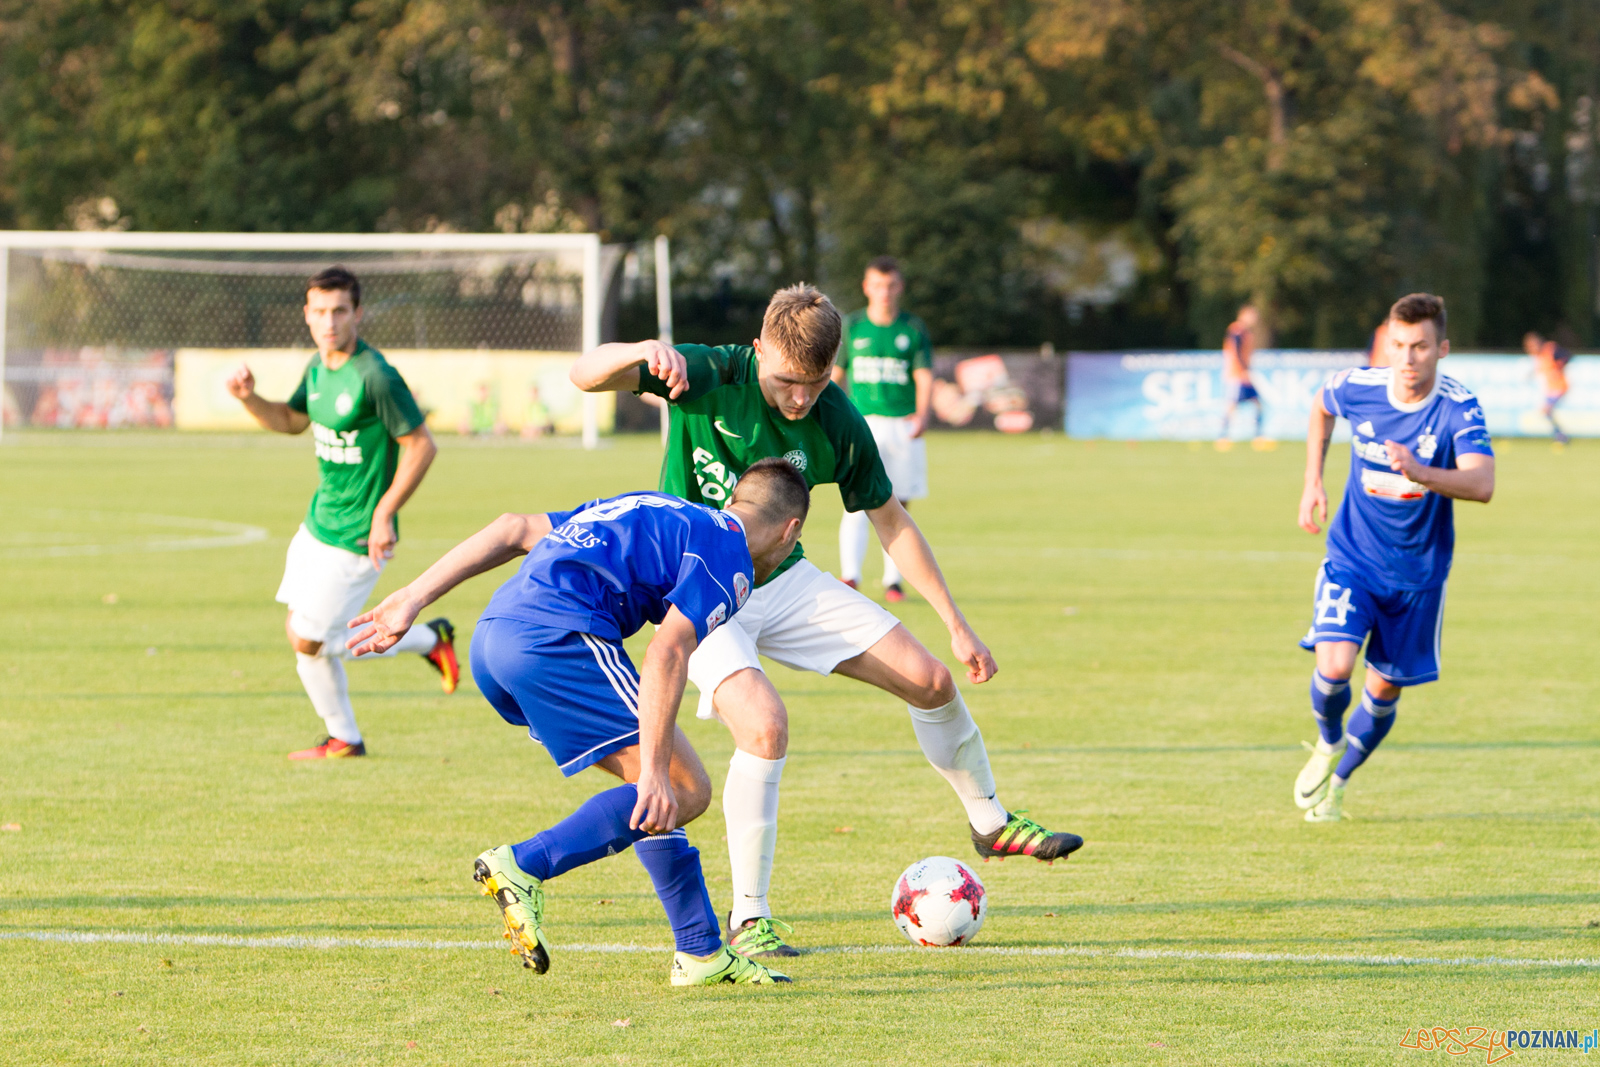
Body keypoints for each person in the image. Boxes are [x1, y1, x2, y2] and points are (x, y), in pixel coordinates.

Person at [570, 283, 1082, 960]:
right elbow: (584, 375)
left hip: (783, 581)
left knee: (931, 680)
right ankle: (750, 916)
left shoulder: (836, 415)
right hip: (695, 589)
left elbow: (891, 519)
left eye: (814, 384)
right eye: (786, 382)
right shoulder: (709, 372)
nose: (799, 400)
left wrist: (955, 622)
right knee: (766, 725)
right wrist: (641, 351)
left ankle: (989, 820)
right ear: (758, 353)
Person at [346, 460, 811, 985]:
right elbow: (666, 654)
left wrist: (412, 597)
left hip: (494, 640)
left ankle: (700, 951)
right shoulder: (731, 558)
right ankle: (523, 865)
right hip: (557, 639)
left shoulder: (656, 507)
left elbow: (511, 528)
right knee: (683, 787)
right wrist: (656, 770)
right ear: (790, 530)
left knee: (655, 791)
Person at [226, 266, 458, 760]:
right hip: (318, 524)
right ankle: (345, 738)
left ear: (357, 313)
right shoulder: (317, 367)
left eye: (339, 311)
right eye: (320, 312)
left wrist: (384, 513)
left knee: (314, 639)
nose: (329, 321)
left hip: (358, 535)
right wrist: (249, 399)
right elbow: (290, 420)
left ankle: (424, 642)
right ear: (306, 315)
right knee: (300, 634)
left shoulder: (375, 376)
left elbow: (421, 447)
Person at [1293, 293, 1494, 822]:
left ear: (1441, 349)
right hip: (1353, 556)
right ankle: (1326, 741)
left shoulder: (1458, 407)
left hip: (1417, 577)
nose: (1407, 359)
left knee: (1382, 694)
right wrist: (1313, 479)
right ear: (1386, 342)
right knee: (1334, 667)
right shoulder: (1359, 386)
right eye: (1398, 345)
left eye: (1420, 347)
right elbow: (1321, 404)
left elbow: (1482, 483)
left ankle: (1337, 785)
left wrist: (1421, 472)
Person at [832, 256, 933, 602]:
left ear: (899, 287)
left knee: (899, 503)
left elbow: (923, 375)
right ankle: (851, 576)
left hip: (902, 424)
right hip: (863, 424)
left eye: (890, 286)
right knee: (856, 500)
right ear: (866, 287)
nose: (884, 292)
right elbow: (837, 374)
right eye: (877, 285)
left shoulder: (912, 328)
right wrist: (829, 414)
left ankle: (894, 580)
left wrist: (922, 414)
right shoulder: (853, 325)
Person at [1219, 304, 1265, 445]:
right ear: (1243, 315)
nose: (1254, 319)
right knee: (1232, 405)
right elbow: (1236, 350)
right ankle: (1223, 437)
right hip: (1237, 375)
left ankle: (1258, 436)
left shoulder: (1246, 332)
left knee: (1258, 404)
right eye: (1252, 315)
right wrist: (1244, 369)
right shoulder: (1236, 330)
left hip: (1244, 374)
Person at [1522, 331, 1572, 444]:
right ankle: (1560, 435)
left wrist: (1559, 367)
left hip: (1560, 386)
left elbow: (1567, 356)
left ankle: (1560, 436)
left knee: (1546, 410)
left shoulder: (1550, 348)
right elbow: (1540, 369)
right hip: (1551, 389)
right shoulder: (1538, 356)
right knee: (1546, 411)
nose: (1532, 347)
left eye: (1533, 344)